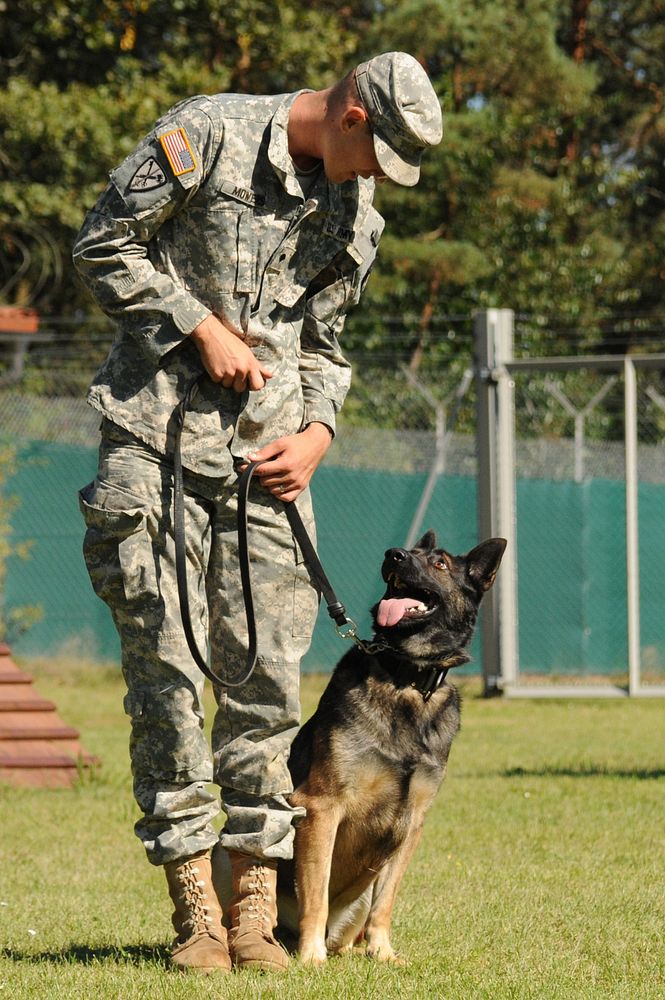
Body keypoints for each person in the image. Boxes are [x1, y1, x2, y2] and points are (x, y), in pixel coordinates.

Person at [73, 51, 442, 974]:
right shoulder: (209, 132)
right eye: (378, 158)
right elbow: (102, 243)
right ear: (353, 114)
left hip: (269, 474)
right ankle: (195, 914)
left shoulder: (354, 211)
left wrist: (319, 428)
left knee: (269, 691)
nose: (375, 185)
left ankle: (252, 910)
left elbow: (328, 344)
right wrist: (197, 325)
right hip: (155, 452)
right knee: (166, 686)